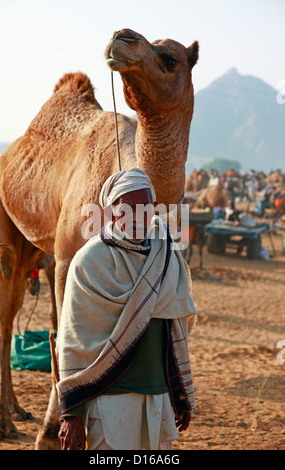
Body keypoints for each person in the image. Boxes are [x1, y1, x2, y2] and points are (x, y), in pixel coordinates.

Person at [56, 167, 197, 450]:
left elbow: (174, 330)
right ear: (110, 212)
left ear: (155, 208)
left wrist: (178, 391)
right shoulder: (90, 262)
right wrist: (71, 414)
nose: (137, 216)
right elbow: (73, 341)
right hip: (108, 399)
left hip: (158, 396)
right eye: (127, 207)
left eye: (144, 206)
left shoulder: (167, 254)